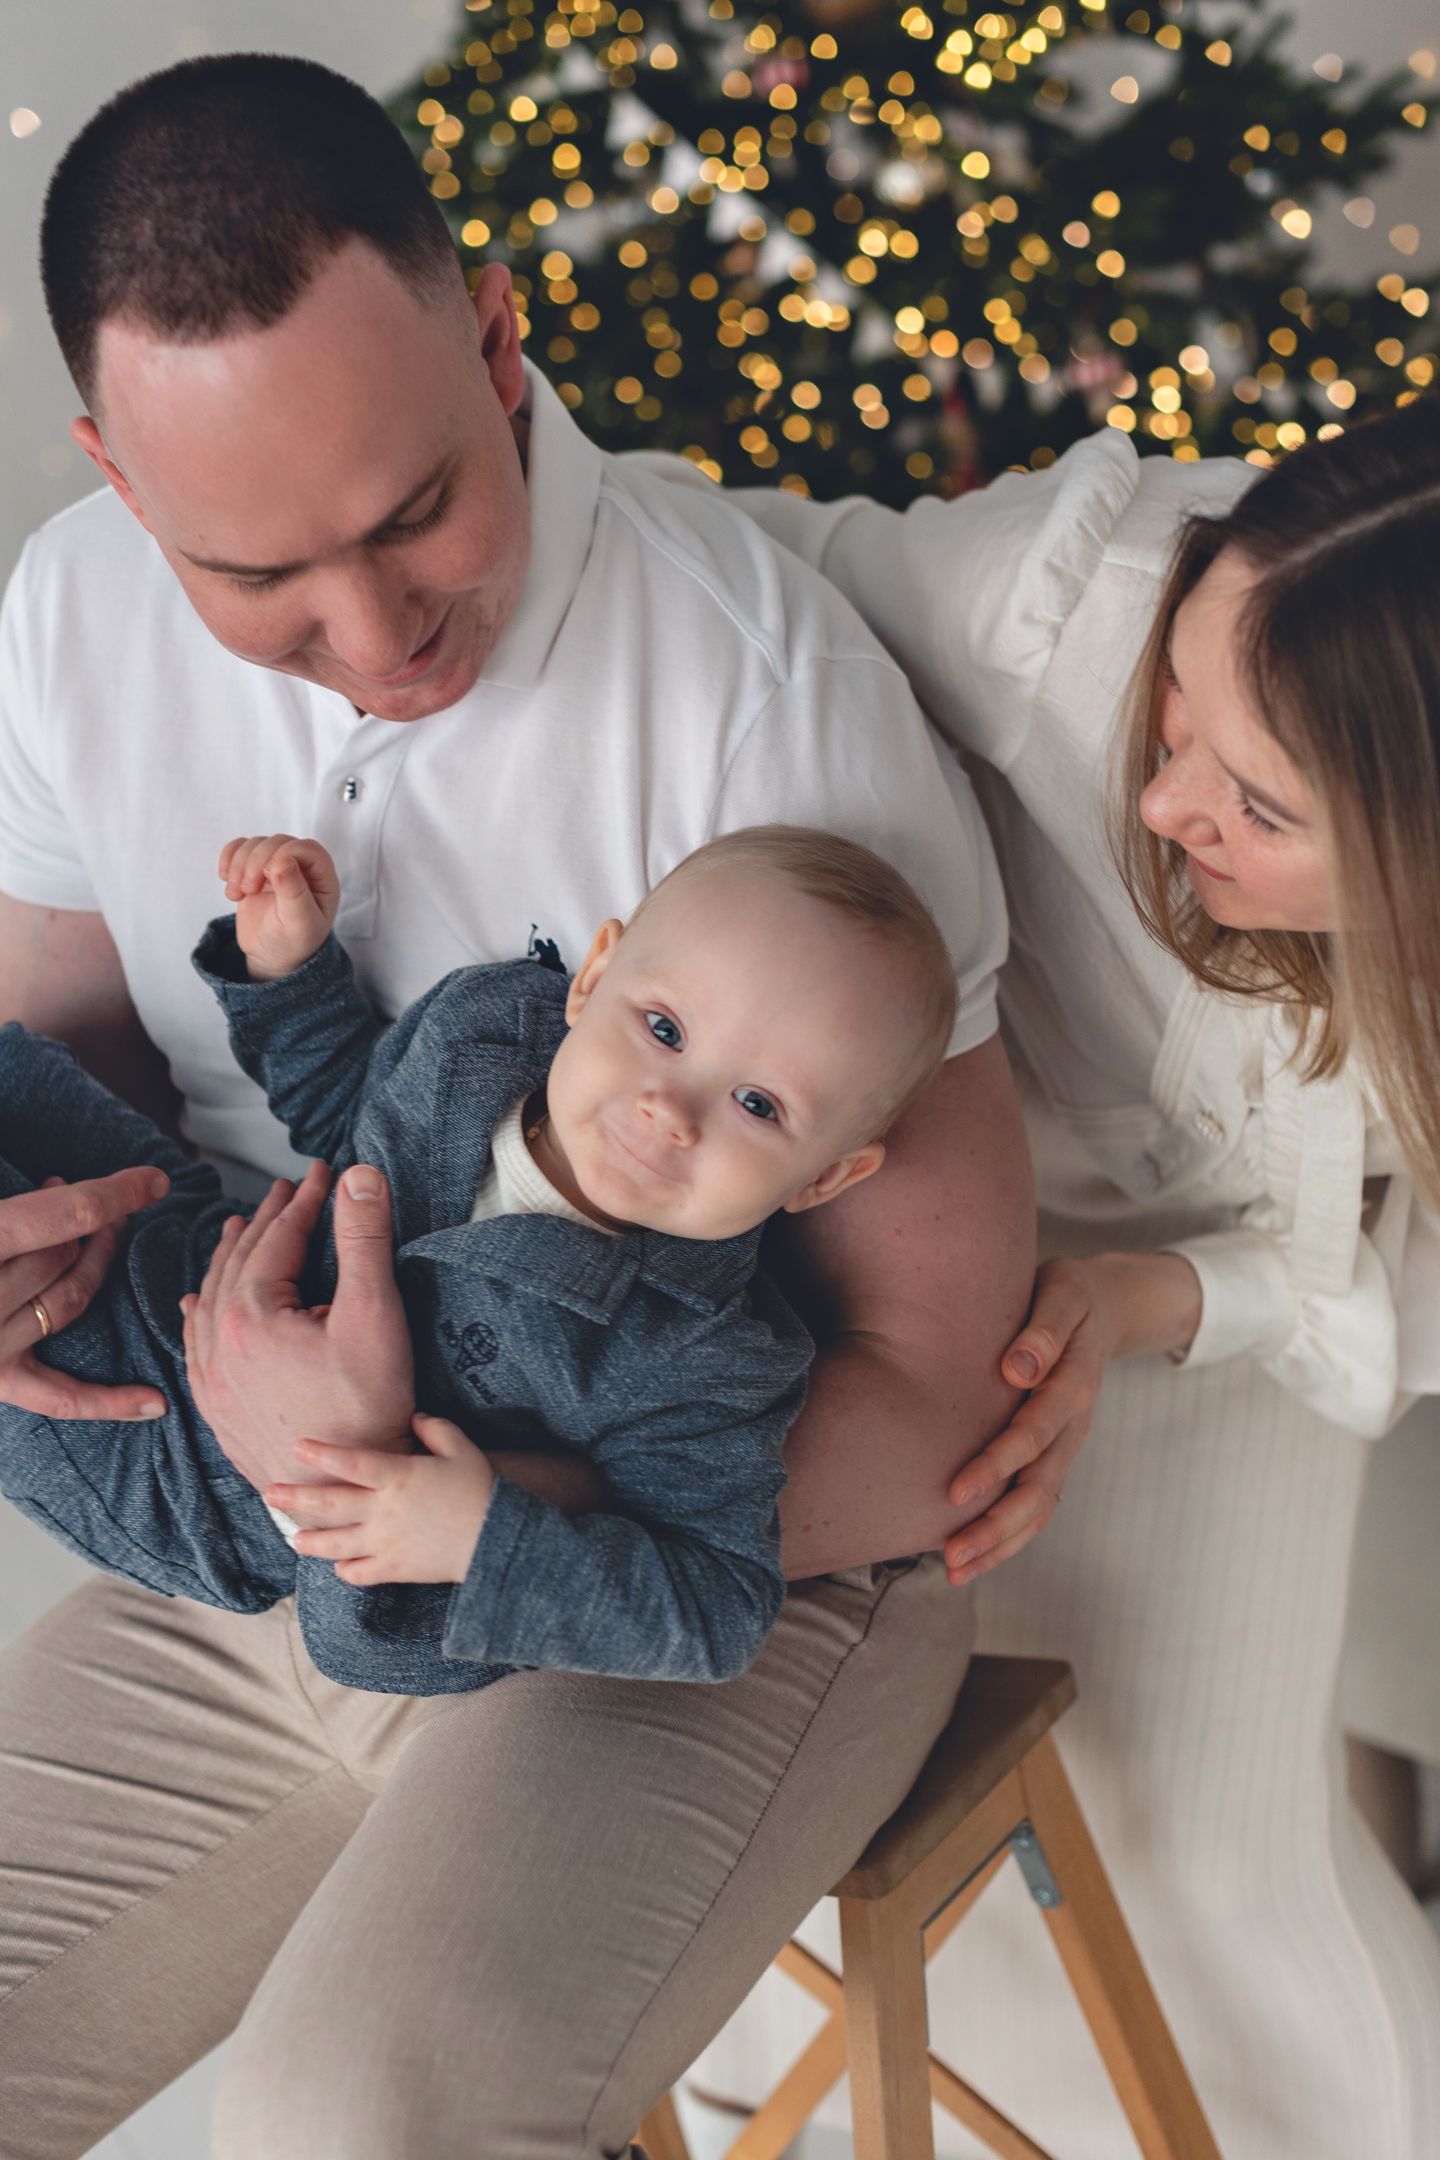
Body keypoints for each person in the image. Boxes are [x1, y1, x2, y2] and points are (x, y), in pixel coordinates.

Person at [0, 55, 1036, 2160]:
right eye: (261, 576)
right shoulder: (69, 613)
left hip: (697, 1553)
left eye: (414, 518)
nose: (373, 633)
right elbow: (62, 1081)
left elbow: (928, 1394)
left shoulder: (770, 715)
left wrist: (425, 1488)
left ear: (494, 340)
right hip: (254, 1503)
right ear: (119, 478)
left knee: (344, 2118)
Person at [684, 402, 1440, 2157]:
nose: (1164, 804)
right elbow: (726, 580)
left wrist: (1163, 1303)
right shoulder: (1064, 601)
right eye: (1176, 713)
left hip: (1278, 1304)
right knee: (876, 1809)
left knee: (1200, 1847)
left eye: (1257, 803)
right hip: (934, 1216)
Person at [2, 822, 956, 1698]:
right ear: (592, 980)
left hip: (172, 1459)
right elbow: (348, 1114)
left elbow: (718, 1606)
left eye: (758, 1105)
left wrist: (475, 1534)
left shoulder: (701, 1360)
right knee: (15, 1073)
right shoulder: (492, 1028)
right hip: (195, 1240)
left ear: (824, 1177)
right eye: (664, 1030)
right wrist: (288, 975)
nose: (670, 1109)